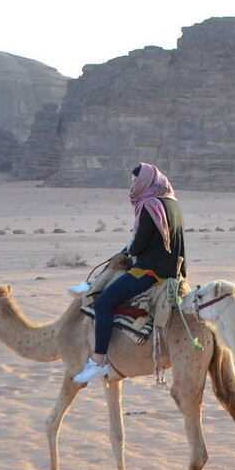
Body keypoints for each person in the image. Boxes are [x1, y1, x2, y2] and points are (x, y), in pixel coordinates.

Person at [73, 163, 186, 384]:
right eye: (132, 182)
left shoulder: (149, 205)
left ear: (146, 182)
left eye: (136, 181)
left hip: (151, 272)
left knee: (103, 304)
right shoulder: (171, 202)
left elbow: (139, 245)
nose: (133, 186)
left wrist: (131, 249)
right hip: (172, 269)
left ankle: (98, 361)